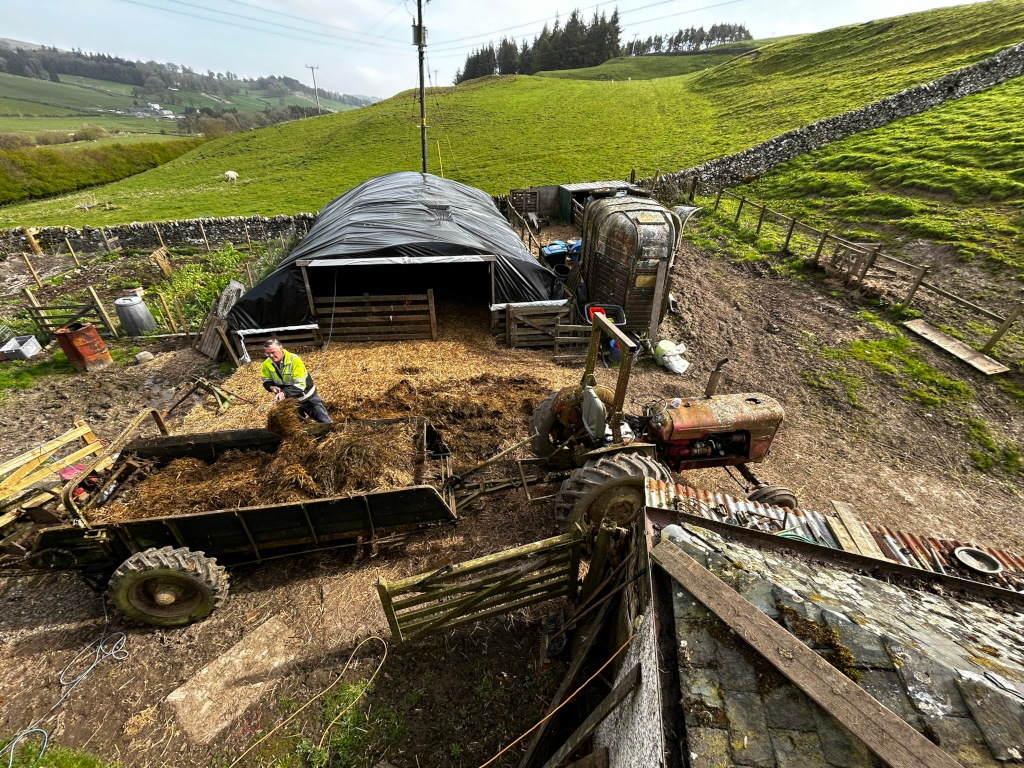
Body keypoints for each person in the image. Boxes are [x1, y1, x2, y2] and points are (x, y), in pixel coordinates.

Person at [260, 339, 332, 423]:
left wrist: (283, 393)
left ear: (281, 348)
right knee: (298, 426)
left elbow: (300, 385)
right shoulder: (266, 363)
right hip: (291, 401)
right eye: (267, 353)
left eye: (273, 352)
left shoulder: (294, 360)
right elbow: (266, 380)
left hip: (307, 397)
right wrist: (271, 386)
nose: (271, 356)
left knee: (324, 421)